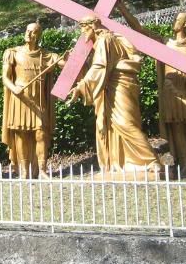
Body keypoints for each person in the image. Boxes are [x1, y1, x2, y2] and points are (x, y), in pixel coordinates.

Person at [117, 1, 186, 173]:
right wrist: (121, 7)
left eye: (178, 20)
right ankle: (183, 164)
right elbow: (139, 29)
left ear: (185, 24)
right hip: (171, 89)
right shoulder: (165, 43)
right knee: (177, 127)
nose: (175, 22)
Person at [67, 14, 160, 173]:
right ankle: (123, 162)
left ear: (93, 25)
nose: (82, 31)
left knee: (125, 123)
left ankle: (151, 161)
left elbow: (100, 67)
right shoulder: (105, 41)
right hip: (113, 86)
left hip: (118, 86)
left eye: (83, 27)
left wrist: (81, 87)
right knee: (111, 124)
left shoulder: (105, 40)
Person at [1, 23, 66, 178]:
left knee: (41, 134)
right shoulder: (13, 53)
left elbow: (65, 65)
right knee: (21, 134)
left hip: (38, 101)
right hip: (20, 99)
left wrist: (70, 58)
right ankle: (24, 170)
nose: (29, 34)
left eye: (33, 32)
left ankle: (42, 169)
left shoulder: (46, 55)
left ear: (38, 36)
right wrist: (14, 88)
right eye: (27, 31)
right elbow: (5, 77)